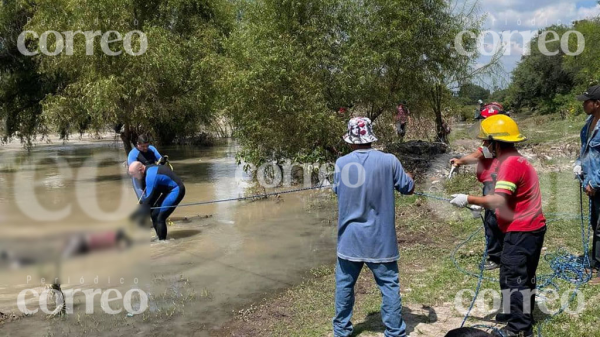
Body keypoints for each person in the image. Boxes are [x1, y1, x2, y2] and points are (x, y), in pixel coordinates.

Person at [449, 115, 546, 337]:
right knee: (523, 275)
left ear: (495, 143)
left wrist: (469, 199)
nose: (483, 147)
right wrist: (482, 205)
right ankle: (518, 313)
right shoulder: (515, 159)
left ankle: (519, 329)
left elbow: (498, 200)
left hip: (521, 230)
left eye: (486, 142)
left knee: (514, 277)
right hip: (530, 227)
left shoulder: (509, 164)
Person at [332, 117, 415, 337]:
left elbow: (338, 190)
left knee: (344, 285)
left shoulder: (341, 163)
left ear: (351, 140)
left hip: (349, 239)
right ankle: (395, 331)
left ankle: (341, 330)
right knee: (389, 286)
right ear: (370, 137)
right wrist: (409, 177)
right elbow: (408, 188)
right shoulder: (389, 161)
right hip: (381, 241)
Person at [450, 117, 503, 271]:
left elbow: (476, 156)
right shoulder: (494, 143)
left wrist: (459, 162)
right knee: (493, 217)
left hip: (493, 183)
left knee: (493, 220)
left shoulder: (493, 142)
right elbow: (480, 156)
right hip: (491, 182)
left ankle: (496, 257)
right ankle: (499, 253)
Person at [575, 85, 600, 276]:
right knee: (595, 223)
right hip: (590, 183)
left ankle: (598, 268)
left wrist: (595, 182)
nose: (583, 104)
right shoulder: (589, 122)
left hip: (597, 183)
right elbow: (586, 150)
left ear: (597, 104)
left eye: (587, 101)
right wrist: (579, 164)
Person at [128, 161, 186, 241]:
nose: (133, 177)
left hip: (176, 190)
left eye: (133, 174)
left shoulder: (151, 175)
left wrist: (136, 215)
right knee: (154, 214)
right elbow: (150, 200)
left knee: (160, 217)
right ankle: (160, 238)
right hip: (167, 190)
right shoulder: (146, 171)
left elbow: (149, 200)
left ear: (140, 170)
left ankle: (163, 243)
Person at [127, 135, 168, 199]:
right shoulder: (133, 154)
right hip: (139, 180)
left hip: (152, 178)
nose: (145, 148)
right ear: (138, 144)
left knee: (155, 198)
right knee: (143, 202)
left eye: (147, 146)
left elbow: (159, 160)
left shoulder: (152, 149)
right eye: (143, 146)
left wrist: (163, 160)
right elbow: (132, 172)